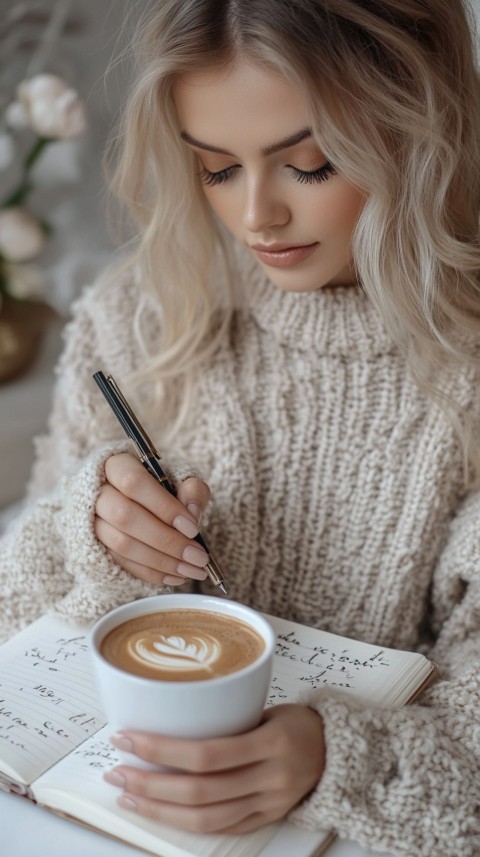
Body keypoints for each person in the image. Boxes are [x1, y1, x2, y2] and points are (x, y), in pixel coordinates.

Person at [1, 1, 480, 854]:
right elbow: (14, 613)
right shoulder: (142, 319)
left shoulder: (464, 374)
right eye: (218, 170)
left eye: (312, 163)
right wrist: (91, 534)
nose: (257, 215)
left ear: (420, 130)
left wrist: (338, 758)